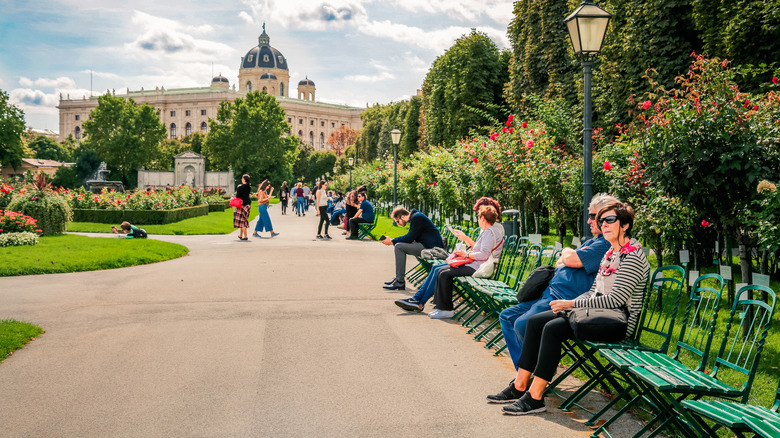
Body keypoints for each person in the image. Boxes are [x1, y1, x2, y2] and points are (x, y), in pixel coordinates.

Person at [489, 201, 649, 415]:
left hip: (617, 322)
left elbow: (615, 300)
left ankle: (535, 397)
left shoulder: (633, 257)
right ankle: (520, 385)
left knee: (552, 329)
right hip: (596, 314)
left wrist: (572, 304)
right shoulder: (611, 253)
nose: (604, 225)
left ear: (626, 225)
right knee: (536, 322)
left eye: (610, 220)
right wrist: (569, 307)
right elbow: (593, 291)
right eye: (602, 221)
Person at [495, 193, 616, 372]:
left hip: (563, 299)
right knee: (507, 316)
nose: (589, 221)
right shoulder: (593, 241)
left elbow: (571, 259)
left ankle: (529, 376)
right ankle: (525, 373)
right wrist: (568, 257)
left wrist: (567, 254)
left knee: (522, 323)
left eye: (592, 216)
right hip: (549, 294)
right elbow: (563, 260)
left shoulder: (605, 245)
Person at [427, 205, 504, 319]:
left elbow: (484, 254)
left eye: (478, 217)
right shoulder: (488, 231)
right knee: (442, 271)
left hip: (479, 268)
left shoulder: (489, 232)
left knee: (444, 273)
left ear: (483, 218)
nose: (478, 219)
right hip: (476, 265)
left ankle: (446, 309)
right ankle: (441, 307)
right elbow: (479, 250)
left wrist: (466, 254)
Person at [382, 207, 445, 291]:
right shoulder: (416, 217)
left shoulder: (417, 218)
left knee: (399, 246)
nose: (397, 224)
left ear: (403, 217)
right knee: (399, 245)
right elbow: (411, 237)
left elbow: (409, 238)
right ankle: (398, 279)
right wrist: (392, 240)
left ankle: (399, 281)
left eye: (397, 221)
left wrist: (392, 241)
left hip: (432, 249)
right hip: (427, 245)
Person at [233, 174, 252, 240]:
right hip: (248, 205)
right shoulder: (249, 187)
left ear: (243, 179)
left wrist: (238, 188)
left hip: (242, 206)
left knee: (242, 221)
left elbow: (238, 197)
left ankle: (245, 236)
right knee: (244, 220)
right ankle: (241, 235)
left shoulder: (240, 187)